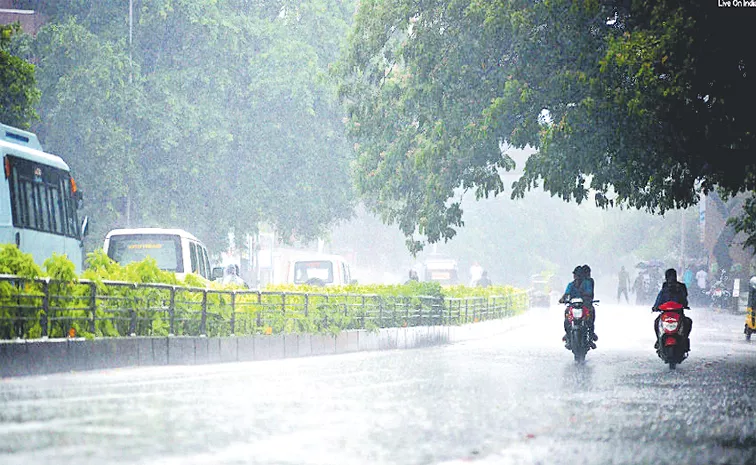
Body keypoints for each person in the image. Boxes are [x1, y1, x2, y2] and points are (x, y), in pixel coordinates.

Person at [652, 268, 691, 350]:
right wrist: (655, 307)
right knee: (656, 322)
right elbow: (659, 299)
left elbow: (684, 299)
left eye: (672, 276)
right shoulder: (664, 288)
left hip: (678, 313)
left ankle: (685, 339)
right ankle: (658, 340)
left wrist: (685, 305)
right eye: (669, 276)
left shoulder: (681, 288)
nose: (671, 278)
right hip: (665, 314)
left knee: (688, 322)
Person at [559, 266, 596, 349]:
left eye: (579, 275)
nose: (577, 277)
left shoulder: (587, 283)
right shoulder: (571, 285)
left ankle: (590, 336)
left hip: (584, 306)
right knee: (566, 315)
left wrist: (587, 299)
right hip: (573, 306)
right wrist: (562, 299)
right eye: (576, 275)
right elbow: (566, 294)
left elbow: (589, 293)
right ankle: (568, 335)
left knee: (590, 316)